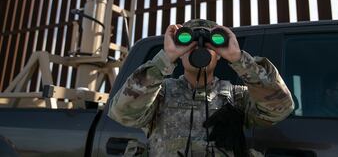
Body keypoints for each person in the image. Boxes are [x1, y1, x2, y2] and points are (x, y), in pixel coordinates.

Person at [108, 19, 294, 156]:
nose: (199, 48)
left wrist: (239, 58)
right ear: (180, 55)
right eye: (188, 44)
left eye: (208, 44)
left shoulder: (236, 96)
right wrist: (165, 58)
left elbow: (280, 109)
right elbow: (122, 112)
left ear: (219, 54)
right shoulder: (159, 93)